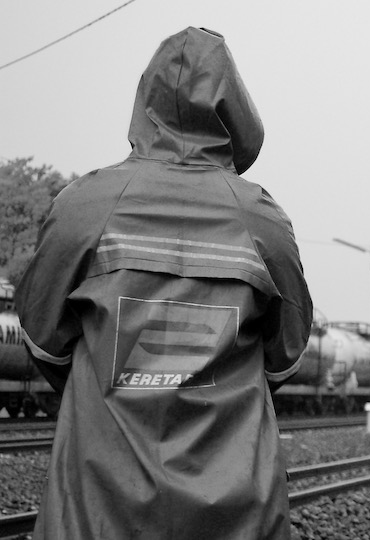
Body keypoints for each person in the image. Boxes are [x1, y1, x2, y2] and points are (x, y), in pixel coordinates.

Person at [15, 27, 312, 539]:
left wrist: (114, 387)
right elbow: (285, 355)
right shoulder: (262, 221)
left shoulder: (84, 207)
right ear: (236, 110)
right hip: (236, 516)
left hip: (94, 511)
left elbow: (43, 338)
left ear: (146, 102)